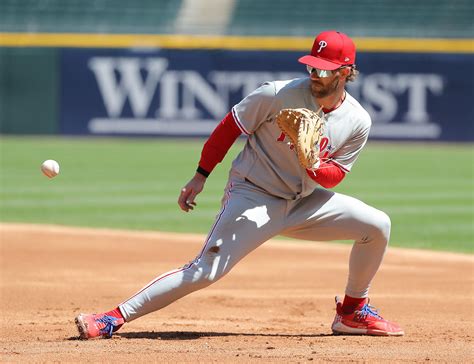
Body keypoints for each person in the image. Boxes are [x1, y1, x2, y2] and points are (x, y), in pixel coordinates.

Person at [75, 30, 404, 339]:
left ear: (346, 72)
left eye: (325, 71)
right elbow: (228, 128)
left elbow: (336, 175)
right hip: (253, 194)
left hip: (302, 202)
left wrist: (311, 161)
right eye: (313, 68)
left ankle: (351, 312)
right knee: (206, 270)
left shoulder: (358, 120)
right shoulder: (277, 93)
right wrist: (200, 176)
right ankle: (111, 318)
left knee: (376, 226)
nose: (316, 76)